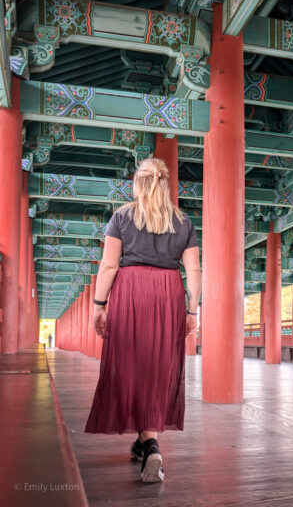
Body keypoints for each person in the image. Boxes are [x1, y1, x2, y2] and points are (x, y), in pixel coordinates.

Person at [84, 157, 201, 483]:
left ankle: (150, 444)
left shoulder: (122, 217)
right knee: (157, 367)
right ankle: (145, 441)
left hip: (131, 291)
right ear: (165, 186)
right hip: (167, 293)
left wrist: (98, 306)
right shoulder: (183, 222)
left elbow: (108, 267)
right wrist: (193, 310)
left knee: (133, 366)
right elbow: (193, 270)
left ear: (138, 184)